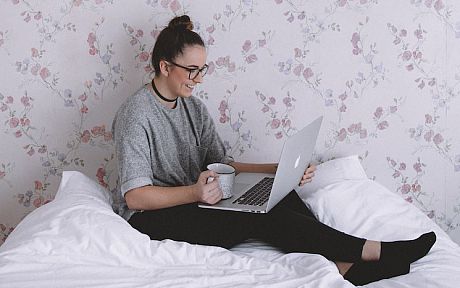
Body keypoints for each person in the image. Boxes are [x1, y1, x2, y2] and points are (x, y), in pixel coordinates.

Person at [112, 15, 436, 286]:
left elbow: (223, 164)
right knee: (259, 214)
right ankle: (369, 251)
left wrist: (277, 170)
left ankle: (343, 266)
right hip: (154, 218)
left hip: (199, 200)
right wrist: (195, 193)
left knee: (275, 194)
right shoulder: (136, 115)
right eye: (192, 70)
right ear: (165, 67)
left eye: (203, 69)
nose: (199, 79)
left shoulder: (193, 108)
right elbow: (135, 197)